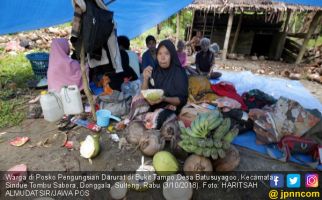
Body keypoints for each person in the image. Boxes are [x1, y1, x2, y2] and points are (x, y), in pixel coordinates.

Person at [123, 40, 188, 130]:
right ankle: (136, 119)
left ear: (172, 55)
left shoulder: (179, 73)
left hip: (170, 108)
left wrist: (164, 98)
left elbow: (182, 99)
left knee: (161, 115)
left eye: (166, 54)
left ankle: (146, 120)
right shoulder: (155, 71)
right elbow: (144, 92)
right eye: (159, 54)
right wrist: (145, 78)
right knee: (136, 99)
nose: (162, 57)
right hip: (153, 105)